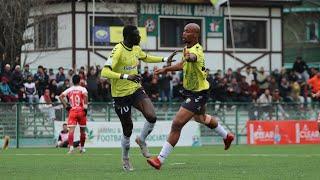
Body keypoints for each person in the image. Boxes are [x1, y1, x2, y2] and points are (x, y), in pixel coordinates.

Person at [147, 23, 234, 170]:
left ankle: (160, 160)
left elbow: (193, 58)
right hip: (194, 91)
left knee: (176, 124)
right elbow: (183, 64)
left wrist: (190, 57)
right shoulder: (187, 48)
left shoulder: (196, 51)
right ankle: (227, 136)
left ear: (195, 35)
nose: (183, 33)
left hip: (197, 94)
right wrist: (166, 69)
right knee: (200, 118)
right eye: (184, 30)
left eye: (187, 31)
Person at [100, 25, 176, 171]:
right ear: (128, 37)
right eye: (137, 35)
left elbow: (146, 57)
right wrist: (127, 76)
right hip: (120, 95)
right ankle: (125, 158)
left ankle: (141, 140)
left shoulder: (136, 49)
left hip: (135, 89)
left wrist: (165, 59)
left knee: (152, 116)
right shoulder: (118, 50)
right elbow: (105, 71)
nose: (140, 38)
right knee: (127, 129)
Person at [59, 75, 88, 154]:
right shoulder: (83, 89)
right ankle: (82, 148)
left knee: (71, 131)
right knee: (82, 131)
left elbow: (60, 97)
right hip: (81, 111)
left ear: (72, 81)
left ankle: (71, 148)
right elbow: (85, 97)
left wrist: (66, 106)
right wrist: (85, 108)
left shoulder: (69, 89)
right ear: (79, 81)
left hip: (72, 111)